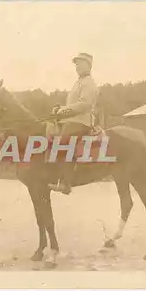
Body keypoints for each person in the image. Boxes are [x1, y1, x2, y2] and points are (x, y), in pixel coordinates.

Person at [48, 52, 98, 195]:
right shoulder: (78, 82)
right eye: (76, 64)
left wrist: (62, 111)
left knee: (63, 142)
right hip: (72, 120)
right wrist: (59, 110)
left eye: (80, 63)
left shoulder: (89, 83)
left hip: (82, 121)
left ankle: (66, 183)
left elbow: (84, 105)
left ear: (88, 65)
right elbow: (73, 105)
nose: (77, 67)